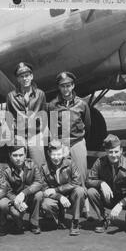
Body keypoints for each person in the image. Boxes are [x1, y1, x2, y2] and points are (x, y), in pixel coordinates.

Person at [48, 71, 91, 217]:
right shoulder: (53, 105)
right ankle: (63, 206)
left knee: (82, 175)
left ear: (73, 85)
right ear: (59, 88)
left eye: (68, 85)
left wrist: (81, 142)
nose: (66, 89)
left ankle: (85, 207)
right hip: (61, 143)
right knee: (63, 176)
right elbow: (53, 129)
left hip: (77, 141)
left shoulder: (82, 104)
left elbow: (88, 125)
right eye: (62, 86)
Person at [86, 134, 126, 234]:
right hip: (108, 198)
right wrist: (101, 183)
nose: (113, 155)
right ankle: (103, 220)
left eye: (116, 151)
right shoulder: (99, 162)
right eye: (110, 152)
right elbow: (89, 180)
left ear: (121, 151)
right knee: (91, 192)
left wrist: (121, 204)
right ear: (106, 152)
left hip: (125, 200)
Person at [40, 140, 86, 236]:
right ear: (48, 153)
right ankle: (58, 218)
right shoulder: (44, 168)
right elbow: (44, 189)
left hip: (70, 196)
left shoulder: (70, 163)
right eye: (53, 155)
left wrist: (57, 190)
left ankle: (75, 221)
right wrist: (59, 197)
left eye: (59, 154)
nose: (56, 158)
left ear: (63, 153)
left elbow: (77, 182)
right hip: (55, 198)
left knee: (80, 191)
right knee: (46, 204)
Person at [6, 62, 48, 166]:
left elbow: (44, 115)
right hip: (19, 136)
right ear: (18, 79)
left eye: (27, 76)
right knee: (19, 165)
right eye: (21, 76)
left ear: (31, 76)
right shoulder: (11, 96)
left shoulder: (40, 94)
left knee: (39, 166)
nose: (25, 79)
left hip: (35, 135)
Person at [0, 138, 44, 234]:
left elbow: (39, 182)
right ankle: (12, 221)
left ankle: (34, 223)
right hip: (14, 199)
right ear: (10, 156)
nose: (18, 158)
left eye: (21, 155)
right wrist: (16, 201)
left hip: (28, 196)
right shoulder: (5, 170)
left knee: (39, 194)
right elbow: (5, 190)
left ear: (25, 155)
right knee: (3, 203)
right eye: (15, 155)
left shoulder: (32, 164)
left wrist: (24, 193)